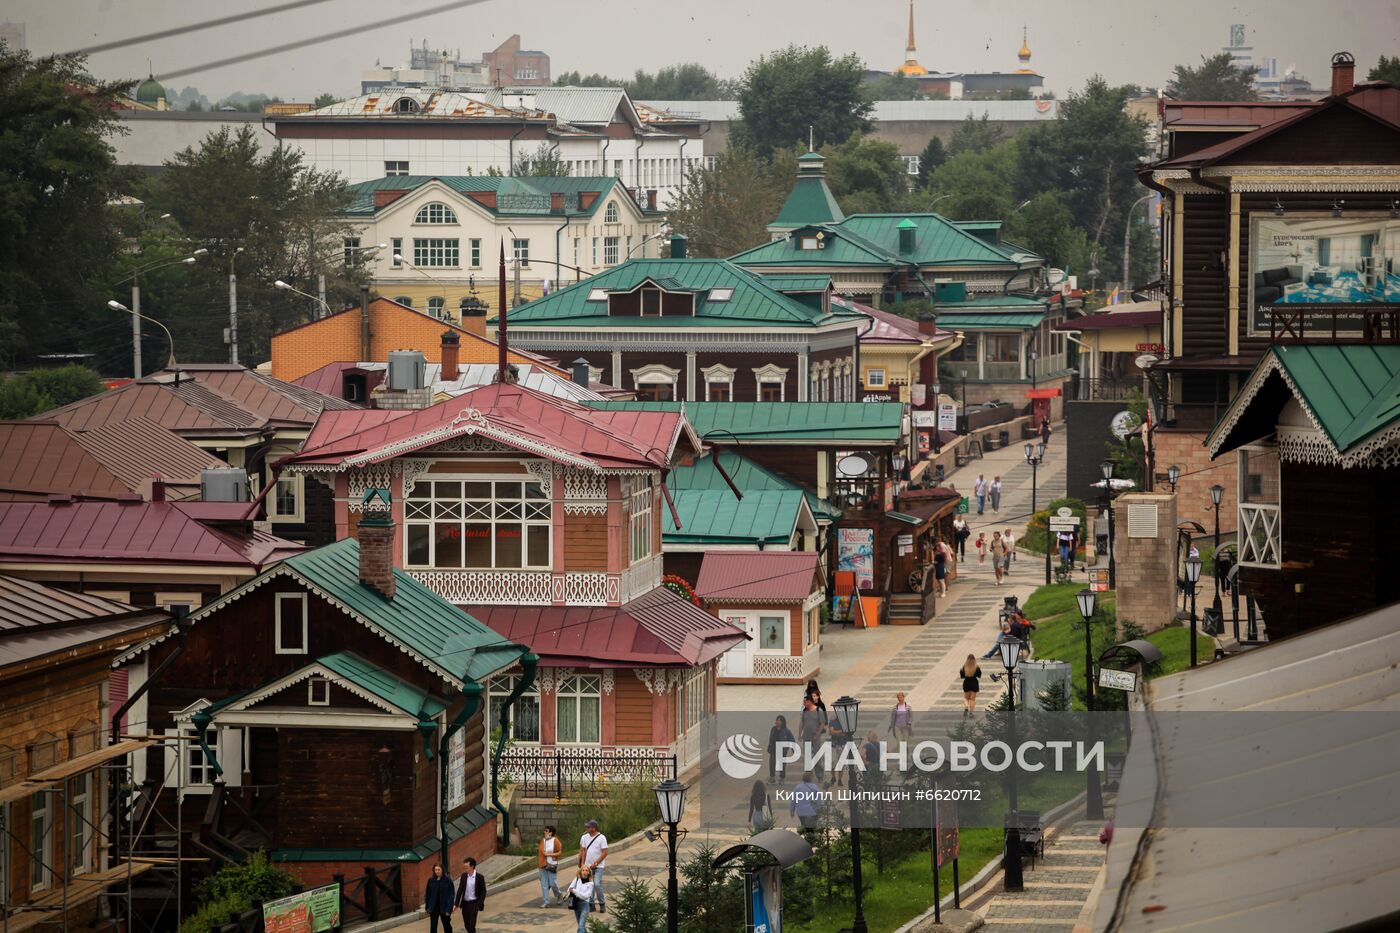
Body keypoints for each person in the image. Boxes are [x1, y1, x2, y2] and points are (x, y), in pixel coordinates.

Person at [578, 820, 608, 913]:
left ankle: (602, 903)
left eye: (588, 827)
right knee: (589, 885)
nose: (586, 829)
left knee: (597, 884)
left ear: (594, 828)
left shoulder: (602, 838)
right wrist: (583, 864)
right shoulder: (584, 837)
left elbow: (605, 852)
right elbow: (583, 851)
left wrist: (596, 862)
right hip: (587, 866)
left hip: (598, 866)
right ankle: (591, 904)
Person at [455, 858, 486, 933]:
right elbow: (460, 890)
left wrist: (479, 903)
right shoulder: (464, 876)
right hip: (465, 904)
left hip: (474, 904)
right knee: (467, 925)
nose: (465, 869)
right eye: (464, 867)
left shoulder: (480, 877)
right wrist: (456, 904)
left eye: (466, 867)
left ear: (472, 866)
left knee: (472, 925)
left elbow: (483, 892)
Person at [537, 826, 564, 908]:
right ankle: (546, 902)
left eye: (546, 831)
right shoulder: (543, 840)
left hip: (552, 864)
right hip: (542, 865)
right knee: (544, 884)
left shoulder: (555, 841)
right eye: (544, 830)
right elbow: (541, 853)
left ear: (551, 832)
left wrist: (549, 854)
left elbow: (559, 852)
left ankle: (559, 894)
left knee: (553, 883)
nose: (544, 832)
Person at [424, 863, 455, 933]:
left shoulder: (448, 880)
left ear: (442, 870)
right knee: (433, 926)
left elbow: (451, 895)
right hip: (434, 907)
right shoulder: (431, 880)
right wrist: (427, 907)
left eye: (438, 869)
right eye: (435, 870)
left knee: (446, 925)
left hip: (444, 907)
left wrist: (449, 909)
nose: (437, 871)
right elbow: (428, 894)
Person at [766, 715, 795, 784]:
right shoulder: (773, 729)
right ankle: (772, 778)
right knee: (772, 763)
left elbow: (792, 740)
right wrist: (769, 747)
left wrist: (793, 749)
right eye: (777, 720)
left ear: (782, 722)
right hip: (773, 749)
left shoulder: (786, 731)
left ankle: (782, 778)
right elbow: (770, 739)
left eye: (779, 720)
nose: (777, 722)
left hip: (782, 750)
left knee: (782, 765)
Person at [567, 867, 595, 933]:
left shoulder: (591, 884)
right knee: (580, 925)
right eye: (583, 870)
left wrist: (575, 891)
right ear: (580, 872)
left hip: (585, 905)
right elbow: (569, 889)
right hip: (576, 904)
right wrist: (573, 891)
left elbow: (586, 896)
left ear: (589, 872)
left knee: (581, 926)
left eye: (586, 870)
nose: (585, 871)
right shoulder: (577, 879)